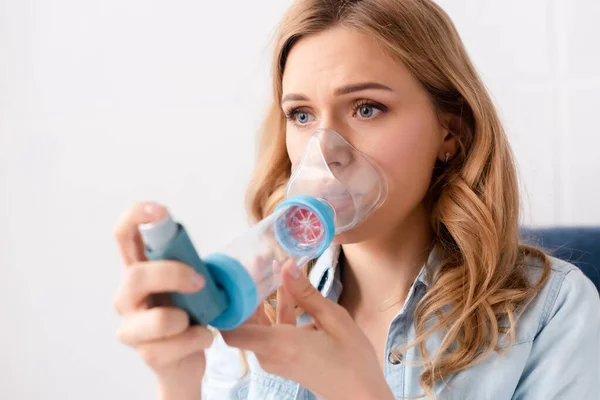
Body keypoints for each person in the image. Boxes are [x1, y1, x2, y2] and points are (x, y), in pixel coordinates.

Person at [112, 0, 600, 399]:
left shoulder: (553, 312)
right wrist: (177, 378)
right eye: (301, 115)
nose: (325, 152)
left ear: (450, 131)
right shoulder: (253, 302)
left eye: (367, 108)